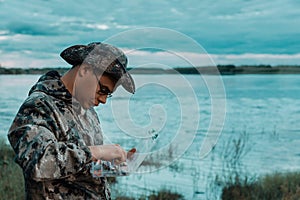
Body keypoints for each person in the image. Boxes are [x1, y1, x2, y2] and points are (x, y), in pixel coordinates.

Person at [7, 42, 135, 199]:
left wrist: (112, 164)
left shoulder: (87, 111)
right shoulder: (39, 105)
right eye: (102, 90)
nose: (103, 100)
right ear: (85, 70)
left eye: (108, 94)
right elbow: (38, 163)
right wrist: (98, 151)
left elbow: (80, 169)